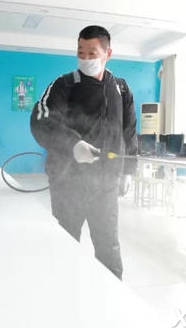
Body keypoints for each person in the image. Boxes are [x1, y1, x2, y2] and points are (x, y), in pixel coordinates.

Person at [30, 25, 137, 280]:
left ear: (108, 53)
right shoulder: (64, 84)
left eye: (92, 53)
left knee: (109, 249)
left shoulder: (120, 89)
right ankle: (65, 294)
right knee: (65, 247)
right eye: (81, 52)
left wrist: (128, 171)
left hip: (106, 184)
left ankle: (111, 296)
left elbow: (129, 132)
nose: (85, 58)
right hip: (68, 183)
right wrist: (73, 144)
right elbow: (40, 120)